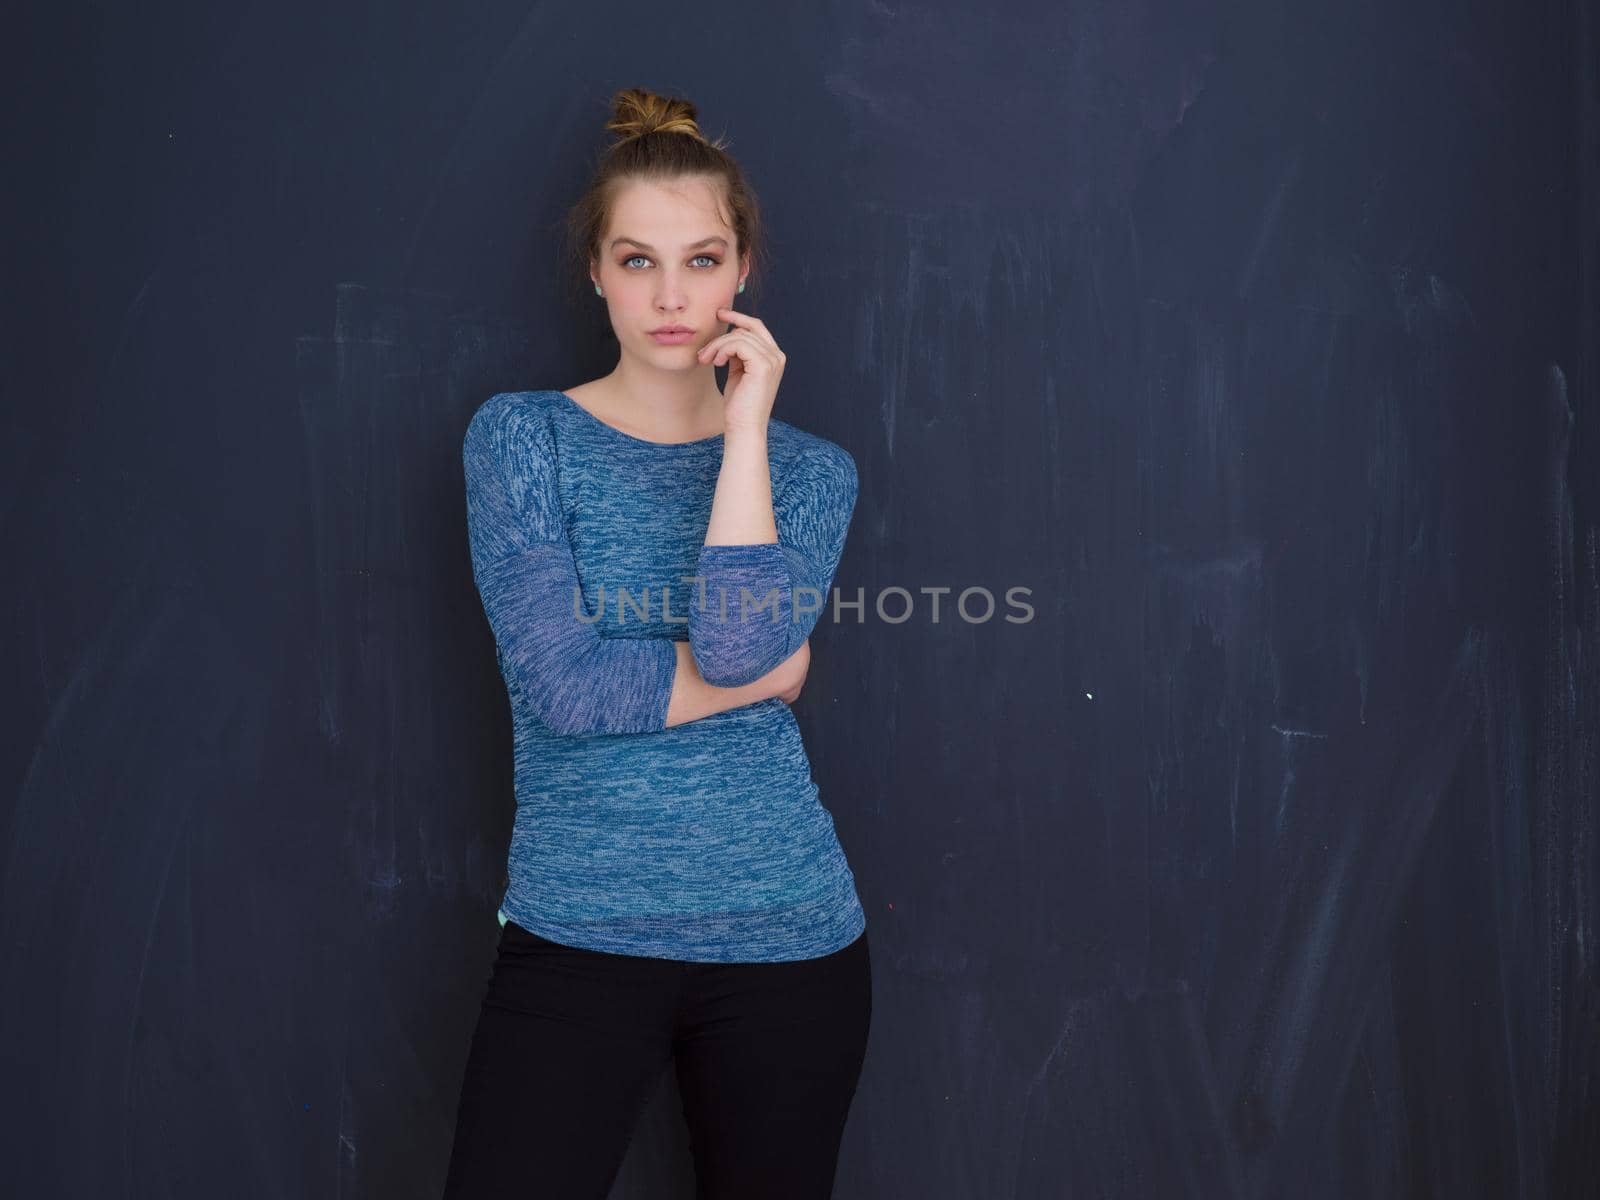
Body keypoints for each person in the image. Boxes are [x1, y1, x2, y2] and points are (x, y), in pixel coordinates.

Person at [441, 86, 872, 1199]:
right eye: (638, 261)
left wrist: (745, 436)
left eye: (702, 260)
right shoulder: (522, 438)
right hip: (576, 934)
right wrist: (768, 674)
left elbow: (730, 651)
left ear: (743, 275)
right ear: (595, 271)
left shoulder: (810, 474)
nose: (671, 297)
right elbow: (568, 691)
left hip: (788, 936)